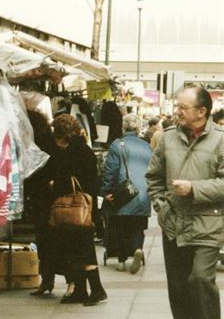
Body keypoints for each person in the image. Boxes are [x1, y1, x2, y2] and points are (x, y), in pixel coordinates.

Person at [146, 85, 224, 319]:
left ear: (202, 112)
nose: (177, 111)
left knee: (200, 280)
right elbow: (153, 176)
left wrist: (195, 189)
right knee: (178, 287)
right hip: (174, 224)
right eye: (177, 106)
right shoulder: (168, 139)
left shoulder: (220, 141)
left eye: (183, 107)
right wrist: (161, 206)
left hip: (207, 223)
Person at [48, 114, 106, 306]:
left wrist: (53, 183)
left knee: (81, 250)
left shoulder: (69, 154)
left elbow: (64, 182)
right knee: (80, 249)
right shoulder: (86, 150)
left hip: (75, 209)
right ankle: (82, 290)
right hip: (87, 208)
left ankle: (96, 290)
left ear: (61, 134)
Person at [101, 114, 152, 273]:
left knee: (120, 227)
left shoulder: (117, 145)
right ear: (138, 128)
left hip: (123, 193)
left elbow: (110, 170)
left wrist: (106, 191)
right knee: (138, 226)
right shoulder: (146, 146)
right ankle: (137, 248)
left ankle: (122, 261)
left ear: (123, 127)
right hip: (143, 193)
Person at [26, 110, 59, 296]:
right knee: (48, 239)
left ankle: (47, 279)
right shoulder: (50, 141)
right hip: (46, 197)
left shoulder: (38, 144)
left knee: (44, 238)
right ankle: (47, 279)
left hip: (43, 198)